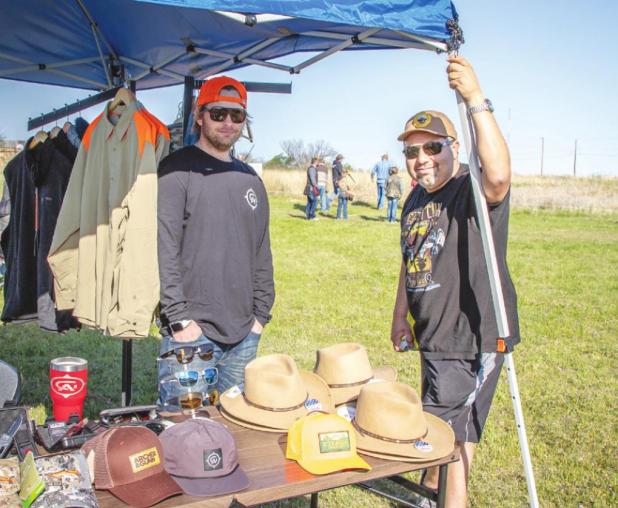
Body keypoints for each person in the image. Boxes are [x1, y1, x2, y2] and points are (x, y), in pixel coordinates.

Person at [390, 55, 520, 508]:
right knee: (452, 439)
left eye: (432, 148)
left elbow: (500, 175)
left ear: (454, 147)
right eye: (411, 151)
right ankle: (436, 496)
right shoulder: (412, 202)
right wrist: (400, 316)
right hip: (434, 339)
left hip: (470, 337)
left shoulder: (472, 190)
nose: (421, 159)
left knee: (446, 448)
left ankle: (440, 498)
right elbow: (410, 261)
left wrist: (474, 100)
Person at [157, 76, 275, 407]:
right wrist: (179, 318)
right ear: (199, 115)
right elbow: (163, 248)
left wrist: (260, 317)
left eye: (236, 116)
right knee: (185, 433)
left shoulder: (250, 179)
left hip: (244, 336)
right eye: (218, 113)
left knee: (237, 432)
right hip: (191, 333)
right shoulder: (175, 170)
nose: (227, 123)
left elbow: (261, 251)